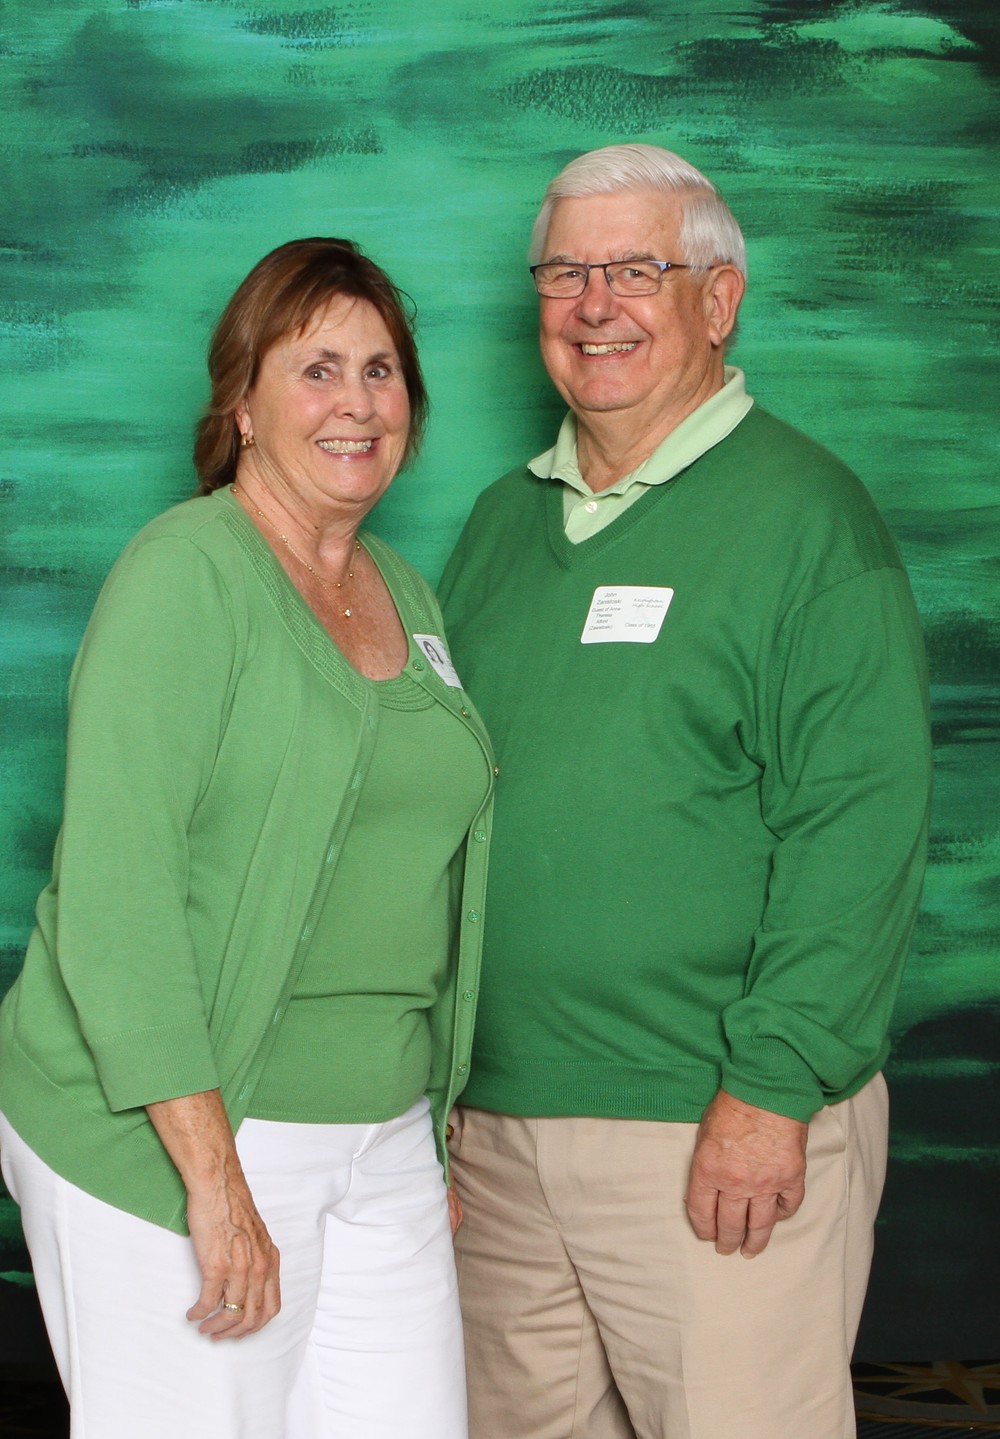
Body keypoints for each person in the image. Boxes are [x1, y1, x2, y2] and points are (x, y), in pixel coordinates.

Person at [438, 144, 932, 1439]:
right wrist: (437, 1094)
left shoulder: (809, 522)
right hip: (497, 1135)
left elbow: (858, 827)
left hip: (710, 1120)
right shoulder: (497, 526)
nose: (593, 303)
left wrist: (770, 1092)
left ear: (719, 299)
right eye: (564, 272)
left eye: (634, 269)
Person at [0, 237, 494, 1439]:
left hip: (379, 1134)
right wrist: (212, 1177)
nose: (355, 403)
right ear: (241, 405)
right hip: (183, 1124)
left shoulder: (403, 590)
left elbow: (414, 873)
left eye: (380, 371)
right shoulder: (184, 574)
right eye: (316, 369)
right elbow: (117, 893)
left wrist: (426, 1122)